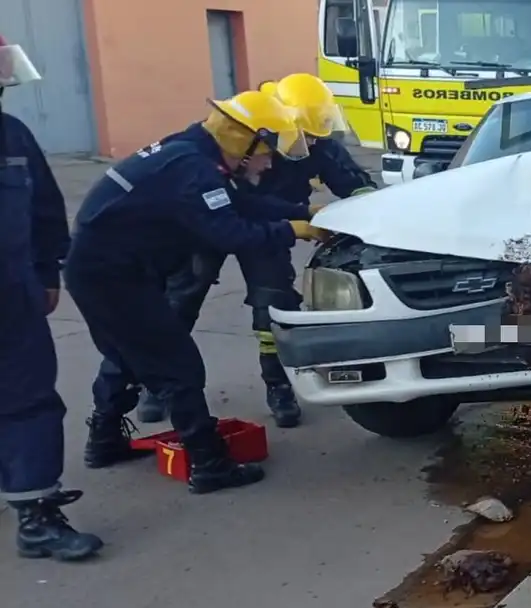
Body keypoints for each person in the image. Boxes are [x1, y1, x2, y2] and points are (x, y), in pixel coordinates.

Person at [66, 89, 328, 494]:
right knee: (178, 364)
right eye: (267, 150)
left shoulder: (192, 150)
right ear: (245, 139)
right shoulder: (195, 168)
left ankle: (103, 442)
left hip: (108, 268)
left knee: (128, 355)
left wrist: (301, 212)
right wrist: (291, 230)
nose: (270, 160)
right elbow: (227, 231)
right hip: (112, 274)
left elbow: (240, 203)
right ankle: (209, 464)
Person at [135, 73, 377, 429]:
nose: (308, 142)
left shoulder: (318, 142)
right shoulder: (240, 133)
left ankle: (278, 385)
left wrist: (373, 212)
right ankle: (158, 385)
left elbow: (354, 185)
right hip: (213, 223)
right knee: (179, 301)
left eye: (314, 135)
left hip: (271, 228)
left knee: (274, 304)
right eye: (305, 134)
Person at [0, 33, 103, 560]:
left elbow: (43, 211)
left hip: (13, 300)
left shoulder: (12, 137)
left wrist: (46, 275)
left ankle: (36, 517)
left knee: (29, 404)